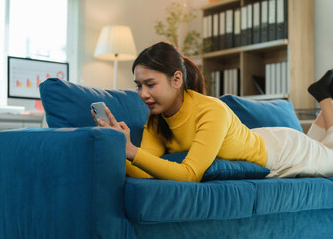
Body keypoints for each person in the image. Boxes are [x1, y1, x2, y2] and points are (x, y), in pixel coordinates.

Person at [93, 41, 333, 182]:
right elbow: (144, 171)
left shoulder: (211, 110)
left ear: (177, 79)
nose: (143, 94)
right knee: (325, 148)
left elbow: (189, 174)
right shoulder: (157, 121)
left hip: (285, 151)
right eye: (139, 85)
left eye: (150, 84)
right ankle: (326, 98)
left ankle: (325, 99)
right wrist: (117, 146)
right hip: (265, 138)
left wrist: (132, 151)